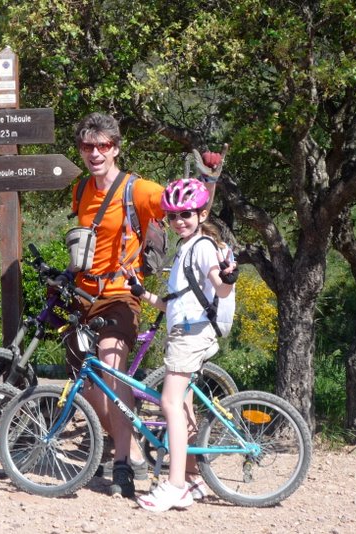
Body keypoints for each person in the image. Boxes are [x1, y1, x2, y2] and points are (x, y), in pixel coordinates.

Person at [67, 112, 166, 498]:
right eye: (88, 146)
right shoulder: (80, 190)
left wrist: (207, 179)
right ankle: (133, 446)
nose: (95, 153)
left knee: (112, 369)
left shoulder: (137, 190)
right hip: (82, 295)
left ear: (116, 148)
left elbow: (180, 204)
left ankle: (123, 465)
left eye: (103, 146)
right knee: (83, 379)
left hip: (121, 294)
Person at [129, 178, 236, 512]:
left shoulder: (202, 246)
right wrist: (142, 294)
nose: (179, 221)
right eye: (173, 215)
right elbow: (175, 302)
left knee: (169, 403)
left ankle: (175, 486)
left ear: (202, 214)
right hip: (188, 330)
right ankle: (192, 478)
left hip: (192, 335)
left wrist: (228, 280)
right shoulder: (186, 247)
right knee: (184, 406)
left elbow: (219, 287)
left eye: (186, 214)